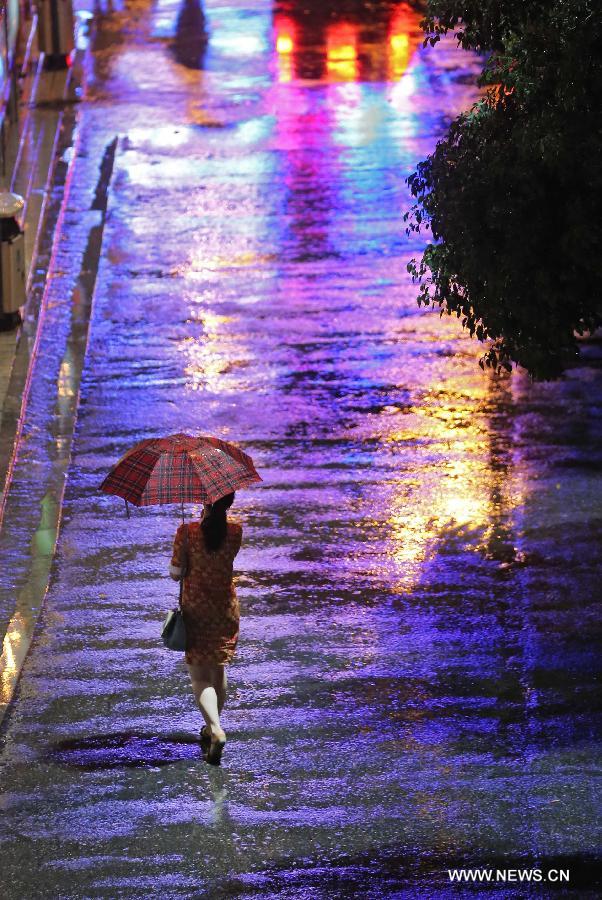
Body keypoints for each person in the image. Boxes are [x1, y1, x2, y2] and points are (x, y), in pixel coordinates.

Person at [170, 492, 242, 765]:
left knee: (199, 676)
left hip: (196, 609)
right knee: (217, 669)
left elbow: (176, 572)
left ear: (205, 502)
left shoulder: (187, 532)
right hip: (225, 608)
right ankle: (213, 725)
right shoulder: (236, 531)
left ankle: (215, 729)